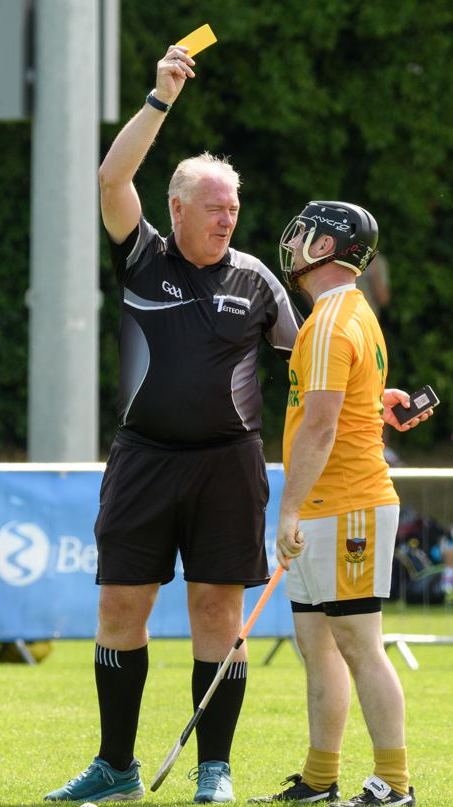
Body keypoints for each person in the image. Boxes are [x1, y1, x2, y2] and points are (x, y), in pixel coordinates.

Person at [43, 44, 303, 806]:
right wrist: (159, 99)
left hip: (228, 464)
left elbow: (317, 354)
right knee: (121, 604)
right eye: (214, 206)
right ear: (179, 207)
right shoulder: (143, 258)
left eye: (235, 209)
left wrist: (373, 393)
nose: (227, 218)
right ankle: (116, 766)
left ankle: (212, 770)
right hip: (144, 458)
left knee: (217, 611)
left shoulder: (256, 278)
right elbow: (111, 177)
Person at [249, 202, 430, 807]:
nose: (293, 241)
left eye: (305, 234)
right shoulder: (347, 312)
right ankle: (320, 778)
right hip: (328, 505)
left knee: (358, 644)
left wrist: (289, 509)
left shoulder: (330, 321)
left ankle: (394, 785)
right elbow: (350, 402)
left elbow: (321, 426)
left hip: (347, 504)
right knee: (316, 644)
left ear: (328, 247)